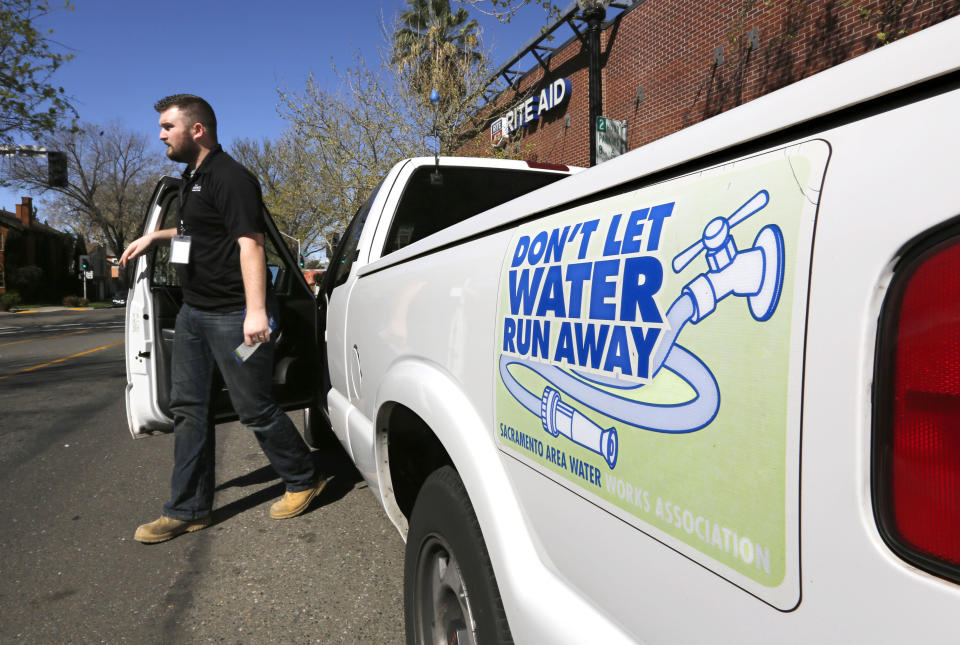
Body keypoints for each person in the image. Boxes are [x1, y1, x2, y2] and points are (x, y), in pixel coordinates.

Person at [120, 94, 326, 544]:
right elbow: (199, 231)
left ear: (197, 130)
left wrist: (256, 313)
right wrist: (155, 236)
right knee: (189, 410)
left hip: (235, 316)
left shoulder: (231, 177)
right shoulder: (193, 179)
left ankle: (303, 477)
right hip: (195, 313)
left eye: (167, 127)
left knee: (254, 407)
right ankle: (188, 509)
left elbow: (249, 243)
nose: (160, 135)